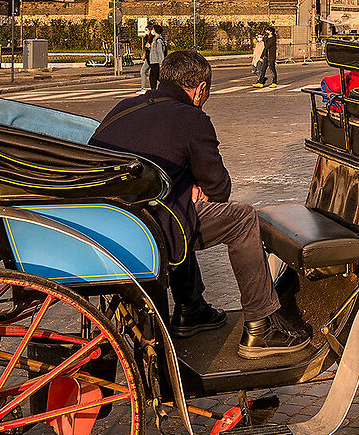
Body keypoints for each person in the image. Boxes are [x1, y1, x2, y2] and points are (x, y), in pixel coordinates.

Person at [93, 50, 314, 358]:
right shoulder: (192, 119)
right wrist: (188, 188)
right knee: (241, 218)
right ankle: (260, 328)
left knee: (182, 207)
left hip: (107, 218)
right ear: (199, 88)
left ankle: (191, 308)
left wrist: (181, 187)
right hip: (150, 226)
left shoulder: (124, 106)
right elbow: (219, 188)